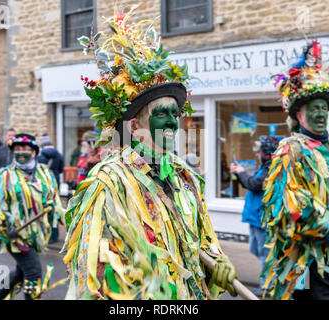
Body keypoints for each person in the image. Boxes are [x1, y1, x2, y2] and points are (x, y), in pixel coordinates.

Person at [61, 8, 238, 300]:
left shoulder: (184, 178)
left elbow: (193, 242)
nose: (172, 121)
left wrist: (216, 260)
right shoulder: (109, 182)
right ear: (135, 125)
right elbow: (93, 271)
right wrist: (153, 287)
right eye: (161, 114)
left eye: (174, 113)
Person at [262, 39, 329, 300]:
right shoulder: (291, 150)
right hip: (304, 257)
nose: (321, 114)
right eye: (314, 109)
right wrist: (324, 227)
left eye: (324, 108)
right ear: (299, 115)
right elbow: (290, 203)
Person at [0, 133, 64, 300]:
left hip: (36, 234)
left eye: (25, 149)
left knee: (23, 270)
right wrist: (5, 227)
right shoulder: (5, 175)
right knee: (34, 273)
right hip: (16, 236)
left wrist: (52, 208)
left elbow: (53, 198)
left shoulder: (45, 173)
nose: (21, 152)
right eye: (17, 149)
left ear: (34, 152)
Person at [230, 135, 282, 297]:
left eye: (259, 151)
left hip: (263, 220)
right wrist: (240, 174)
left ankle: (268, 286)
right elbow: (251, 183)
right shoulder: (265, 166)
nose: (256, 154)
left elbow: (253, 184)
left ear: (266, 153)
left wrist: (241, 172)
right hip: (255, 218)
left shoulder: (271, 169)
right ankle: (275, 278)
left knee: (266, 256)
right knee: (257, 250)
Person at [37, 133, 64, 244]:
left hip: (44, 185)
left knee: (44, 209)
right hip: (55, 184)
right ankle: (55, 234)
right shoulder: (58, 154)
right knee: (55, 209)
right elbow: (61, 169)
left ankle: (46, 234)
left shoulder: (40, 155)